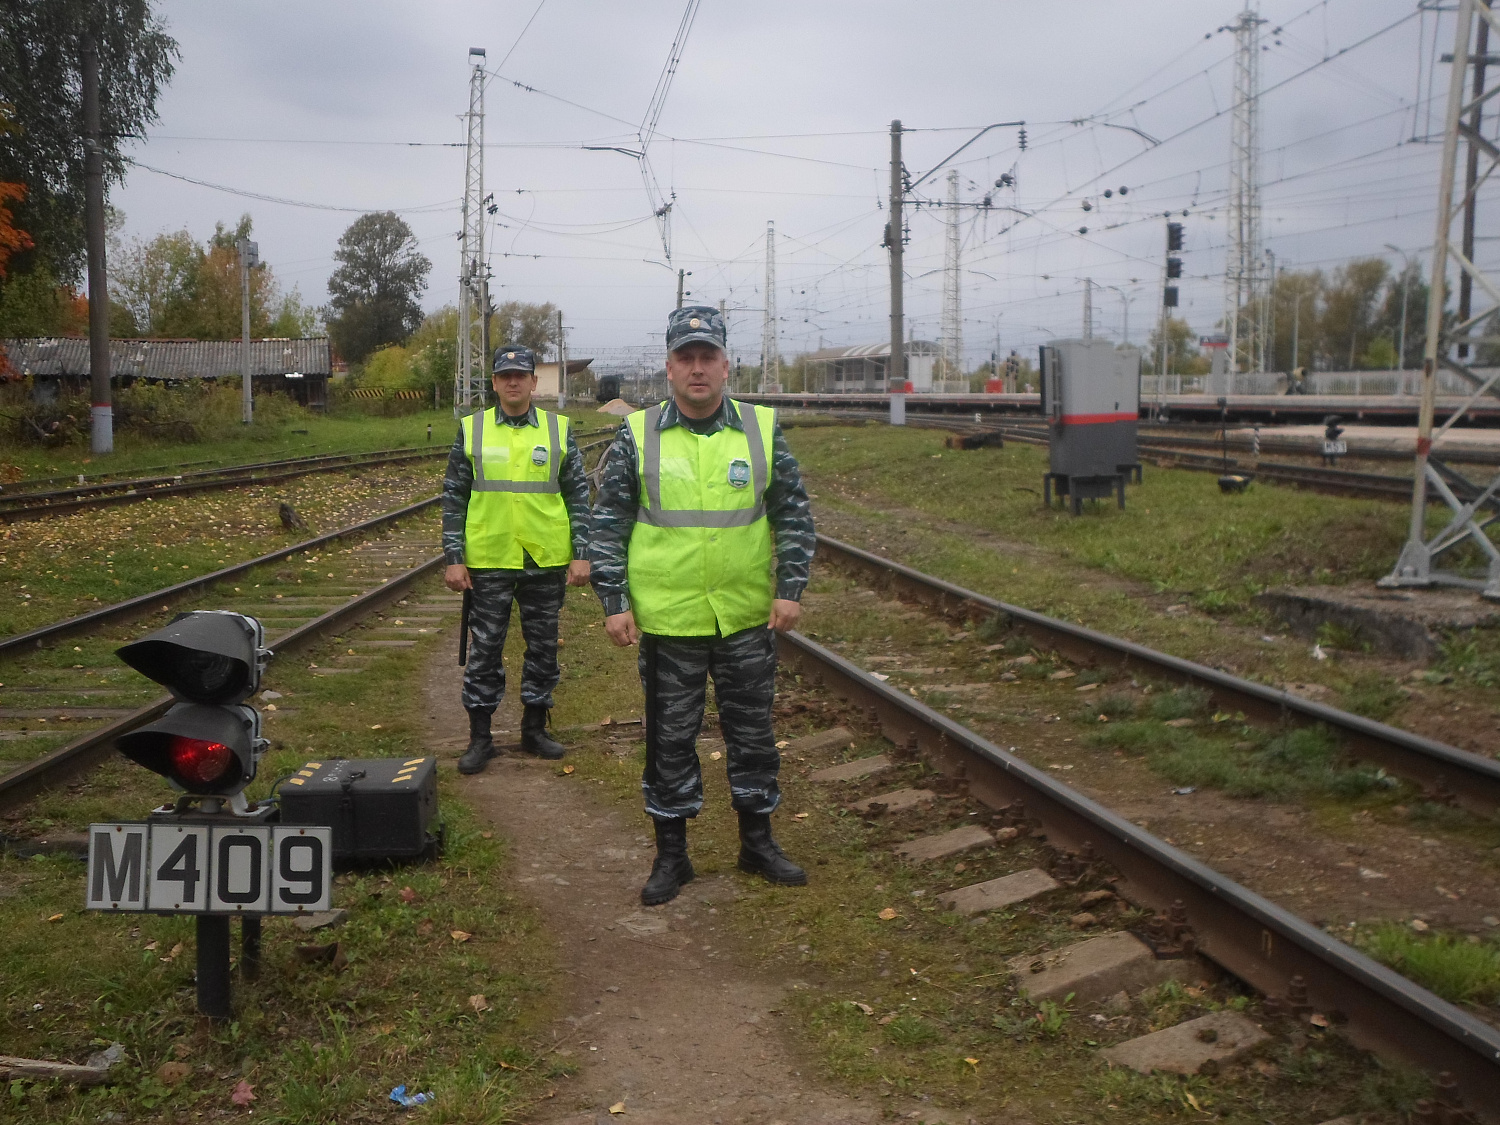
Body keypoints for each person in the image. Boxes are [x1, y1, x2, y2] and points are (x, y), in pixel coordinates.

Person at [590, 305, 817, 906]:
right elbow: (606, 525)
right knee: (669, 740)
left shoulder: (762, 430)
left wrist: (790, 588)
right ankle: (673, 856)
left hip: (744, 618)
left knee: (753, 735)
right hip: (668, 622)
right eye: (686, 358)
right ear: (668, 367)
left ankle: (757, 843)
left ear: (725, 364)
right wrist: (613, 601)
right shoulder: (636, 435)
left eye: (707, 357)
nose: (698, 369)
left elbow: (794, 513)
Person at [442, 345, 591, 773]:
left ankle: (534, 728)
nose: (513, 382)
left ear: (533, 381)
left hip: (544, 558)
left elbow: (579, 494)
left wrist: (581, 553)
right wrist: (455, 557)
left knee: (543, 648)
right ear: (493, 382)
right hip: (489, 558)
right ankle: (480, 738)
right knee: (485, 649)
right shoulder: (472, 429)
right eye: (504, 375)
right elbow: (454, 496)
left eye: (520, 375)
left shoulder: (558, 429)